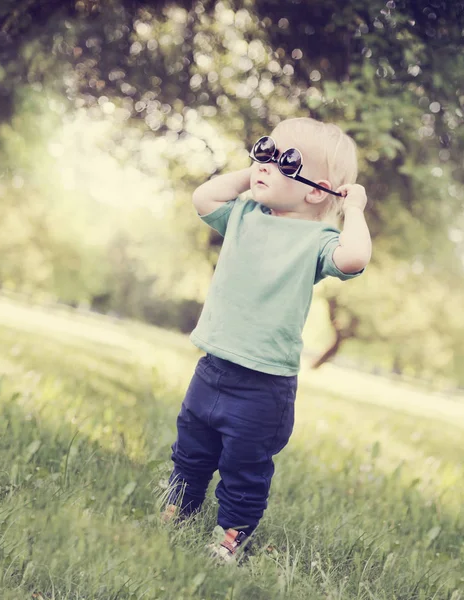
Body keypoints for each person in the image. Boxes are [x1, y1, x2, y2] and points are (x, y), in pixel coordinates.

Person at [162, 117, 372, 562]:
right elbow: (204, 197)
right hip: (213, 366)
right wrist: (257, 171)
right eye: (264, 150)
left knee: (244, 467)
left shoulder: (320, 238)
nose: (265, 164)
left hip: (263, 385)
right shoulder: (243, 214)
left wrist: (353, 209)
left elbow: (353, 259)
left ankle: (230, 538)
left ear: (317, 190)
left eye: (285, 160)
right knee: (191, 448)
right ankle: (178, 509)